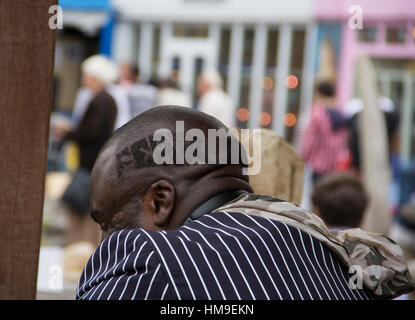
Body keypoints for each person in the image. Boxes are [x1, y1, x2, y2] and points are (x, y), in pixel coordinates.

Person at [75, 106, 414, 300]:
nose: (106, 240)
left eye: (109, 224)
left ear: (160, 201)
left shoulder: (148, 257)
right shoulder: (333, 260)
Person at [54, 55, 118, 246]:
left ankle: (82, 248)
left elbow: (91, 131)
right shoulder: (107, 100)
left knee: (80, 207)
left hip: (90, 163)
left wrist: (68, 132)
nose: (83, 79)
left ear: (94, 77)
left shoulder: (99, 101)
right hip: (96, 162)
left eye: (86, 75)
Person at [300, 81, 350, 184]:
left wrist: (303, 158)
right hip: (336, 166)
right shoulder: (340, 113)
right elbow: (345, 140)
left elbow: (310, 140)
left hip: (319, 166)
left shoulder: (317, 114)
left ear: (319, 93)